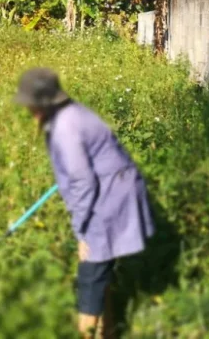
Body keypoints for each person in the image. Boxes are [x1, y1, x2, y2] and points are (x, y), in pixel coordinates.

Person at [13, 67, 155, 338]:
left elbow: (83, 182)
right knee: (99, 272)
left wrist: (81, 231)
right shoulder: (71, 114)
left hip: (109, 197)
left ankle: (89, 332)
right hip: (112, 188)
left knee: (90, 275)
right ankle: (107, 331)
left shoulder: (65, 126)